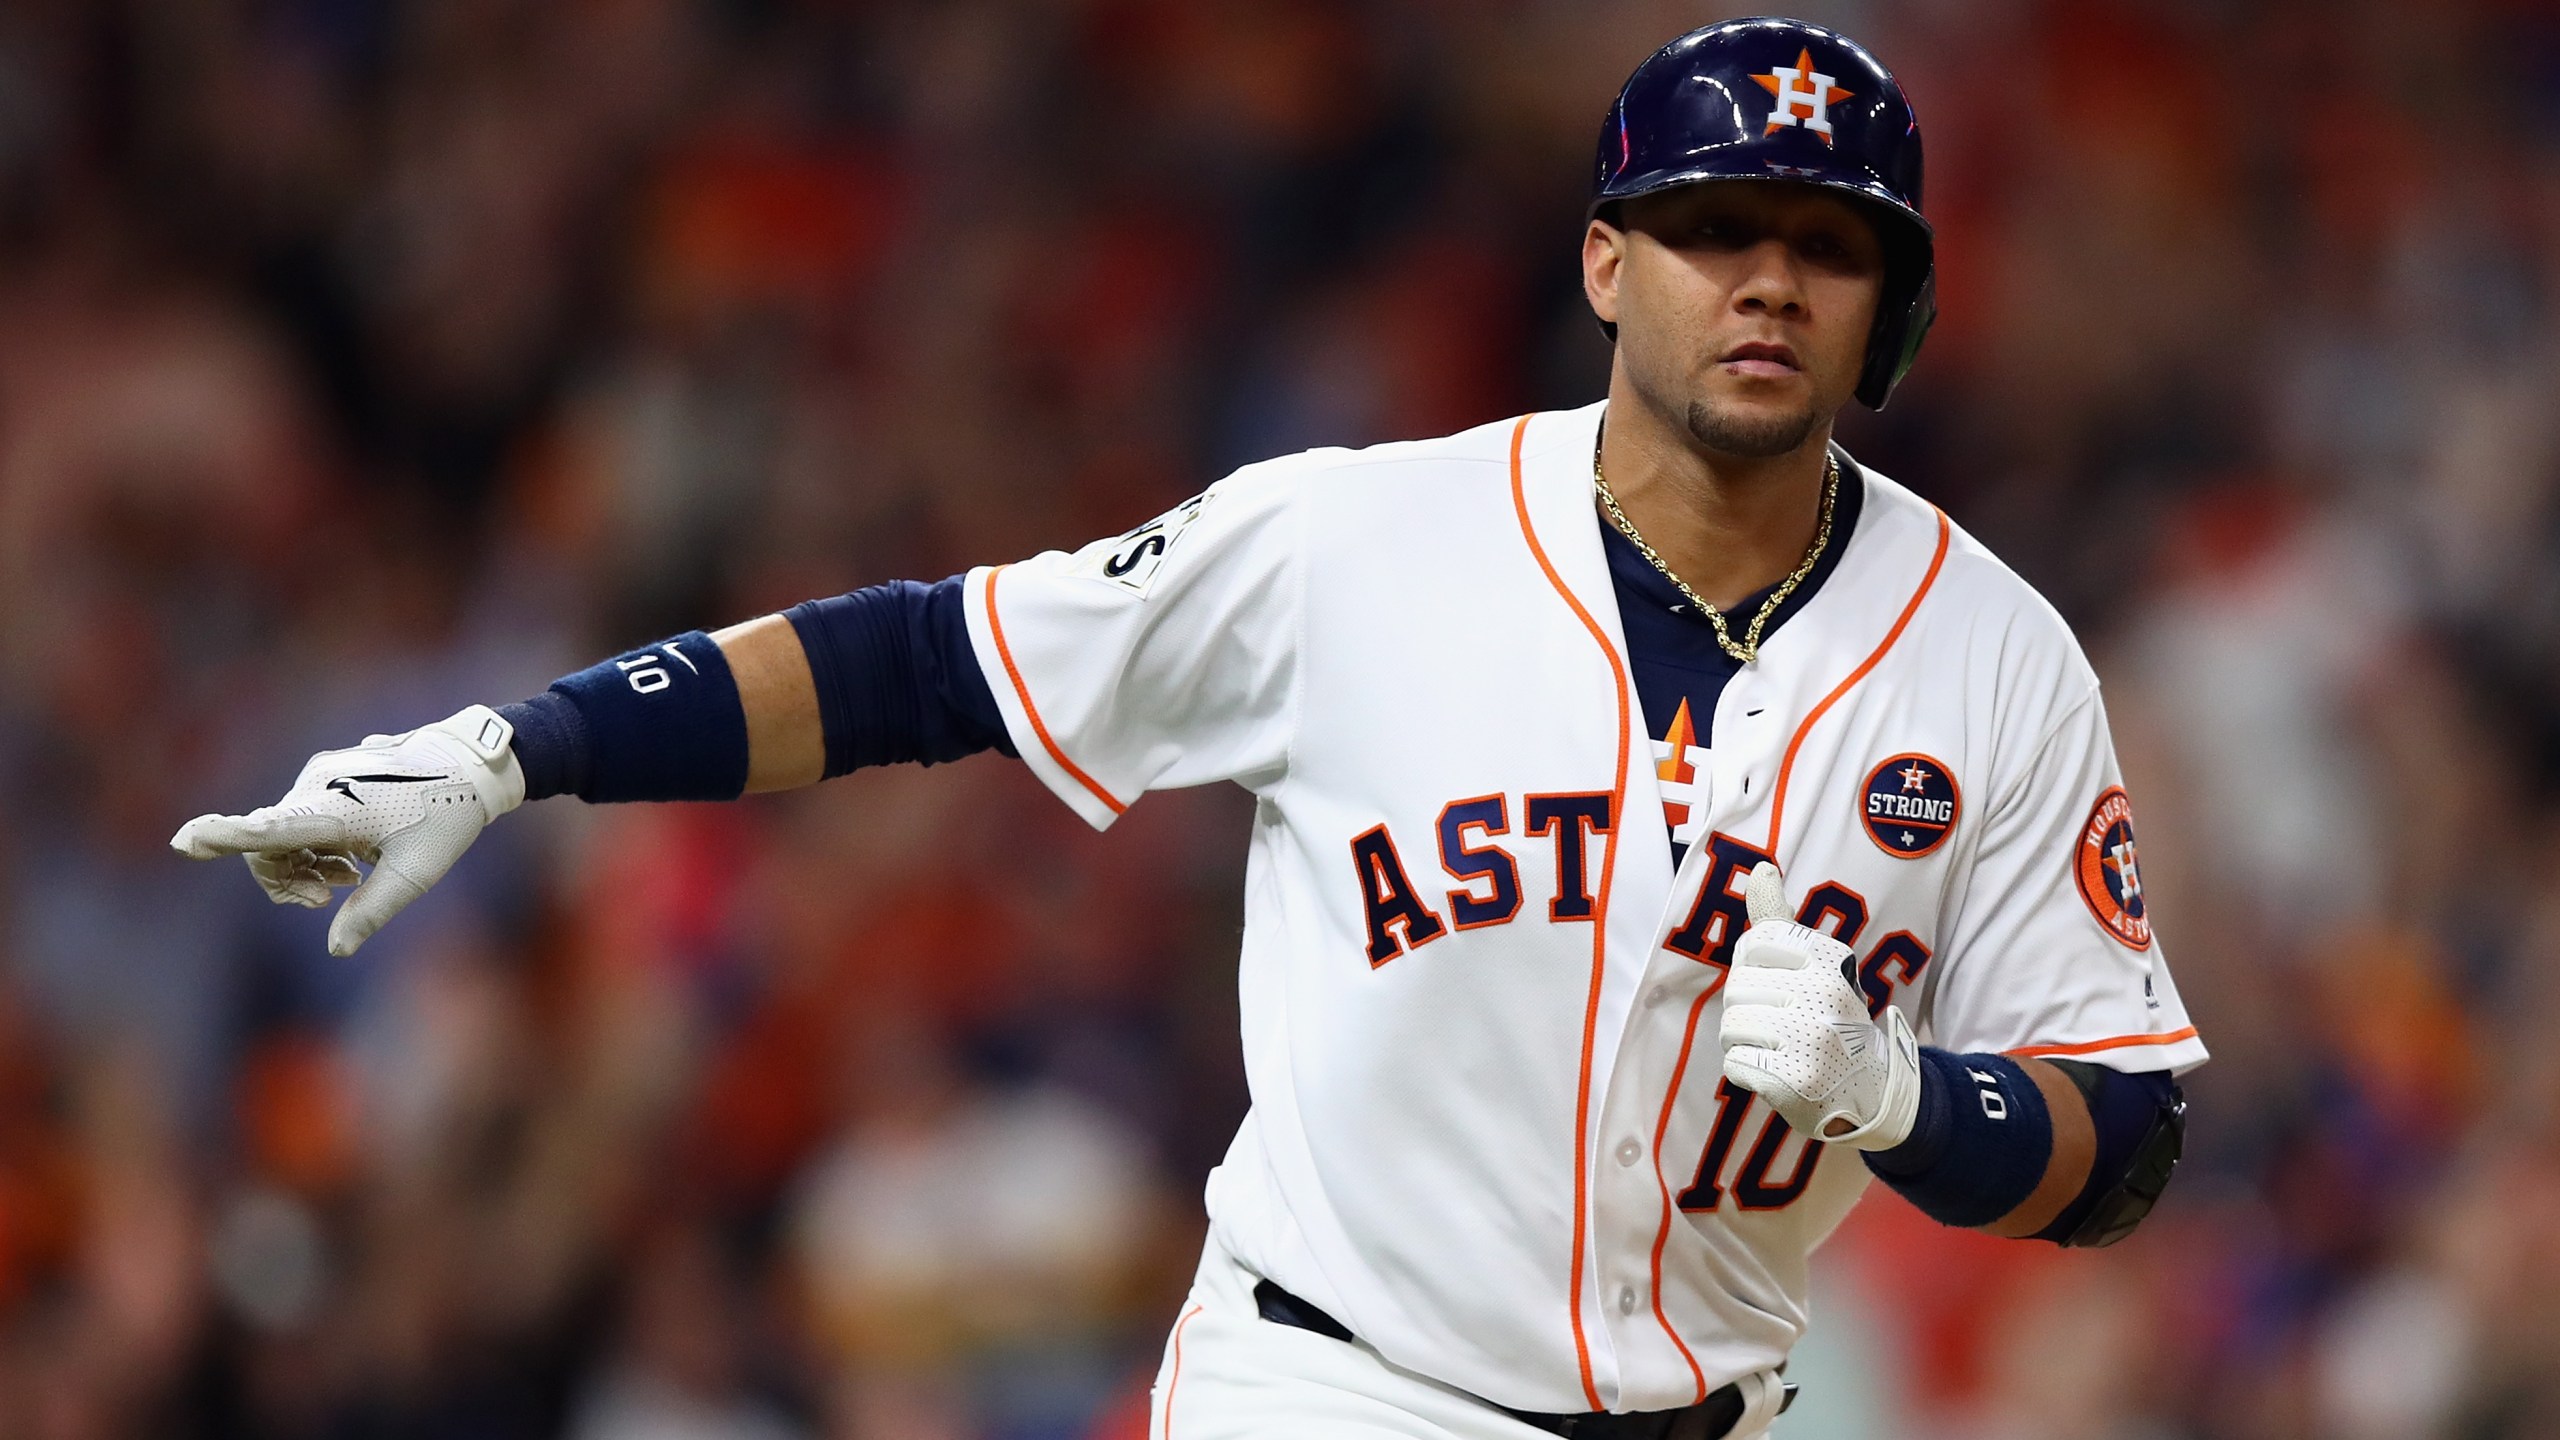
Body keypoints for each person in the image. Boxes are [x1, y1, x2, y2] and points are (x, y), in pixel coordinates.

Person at [175, 18, 2203, 1440]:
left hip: (1713, 1411)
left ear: (1892, 309)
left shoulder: (1994, 664)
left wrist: (1905, 1101)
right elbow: (926, 662)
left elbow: (2121, 1146)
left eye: (1825, 245)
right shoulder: (1352, 539)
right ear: (1604, 262)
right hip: (1327, 1392)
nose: (1763, 282)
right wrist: (528, 747)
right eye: (1709, 230)